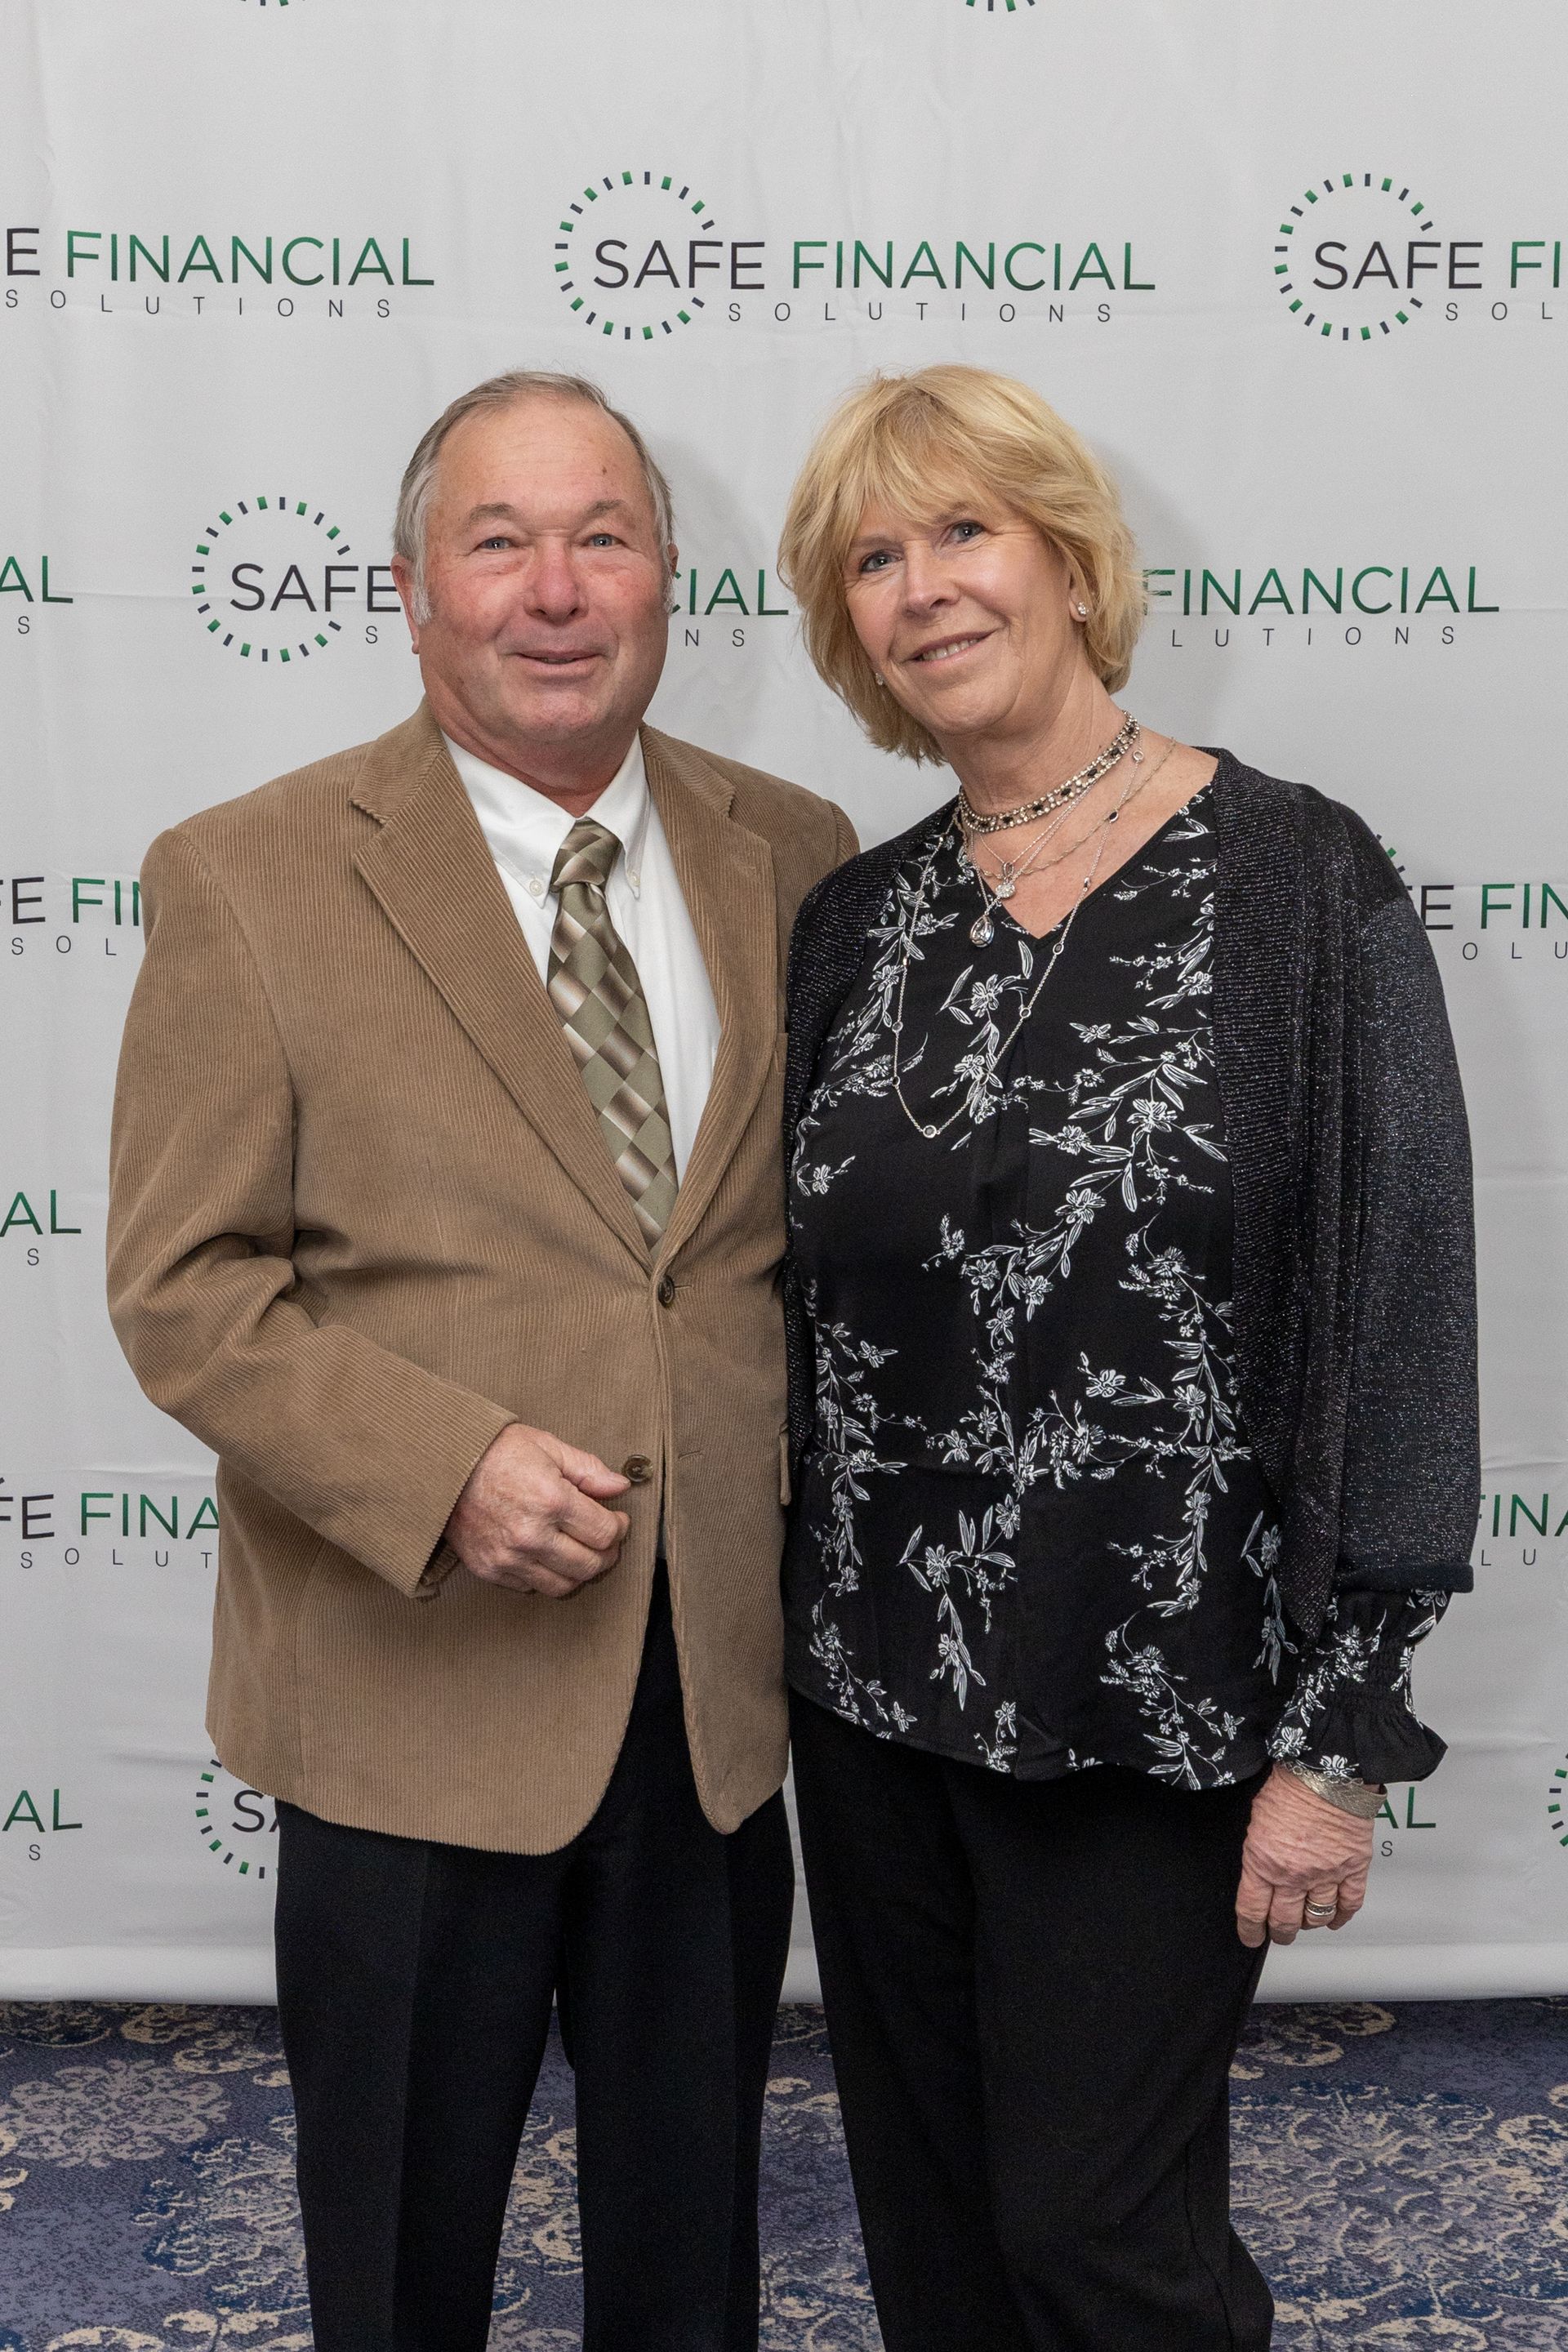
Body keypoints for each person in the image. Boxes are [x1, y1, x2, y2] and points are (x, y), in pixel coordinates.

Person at [106, 367, 855, 2352]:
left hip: (707, 1700)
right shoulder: (246, 876)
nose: (555, 589)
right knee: (405, 2255)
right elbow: (187, 1286)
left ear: (668, 581)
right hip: (410, 1690)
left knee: (693, 2260)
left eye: (602, 536)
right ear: (409, 588)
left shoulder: (797, 850)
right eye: (498, 540)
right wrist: (441, 1468)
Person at [774, 364, 1477, 2352]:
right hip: (869, 1692)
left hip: (1160, 1699)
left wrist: (1342, 1736)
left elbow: (1403, 1300)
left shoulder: (1295, 884)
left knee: (1101, 2239)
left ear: (1071, 561)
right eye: (874, 560)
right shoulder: (856, 924)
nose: (924, 589)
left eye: (964, 532)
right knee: (937, 2235)